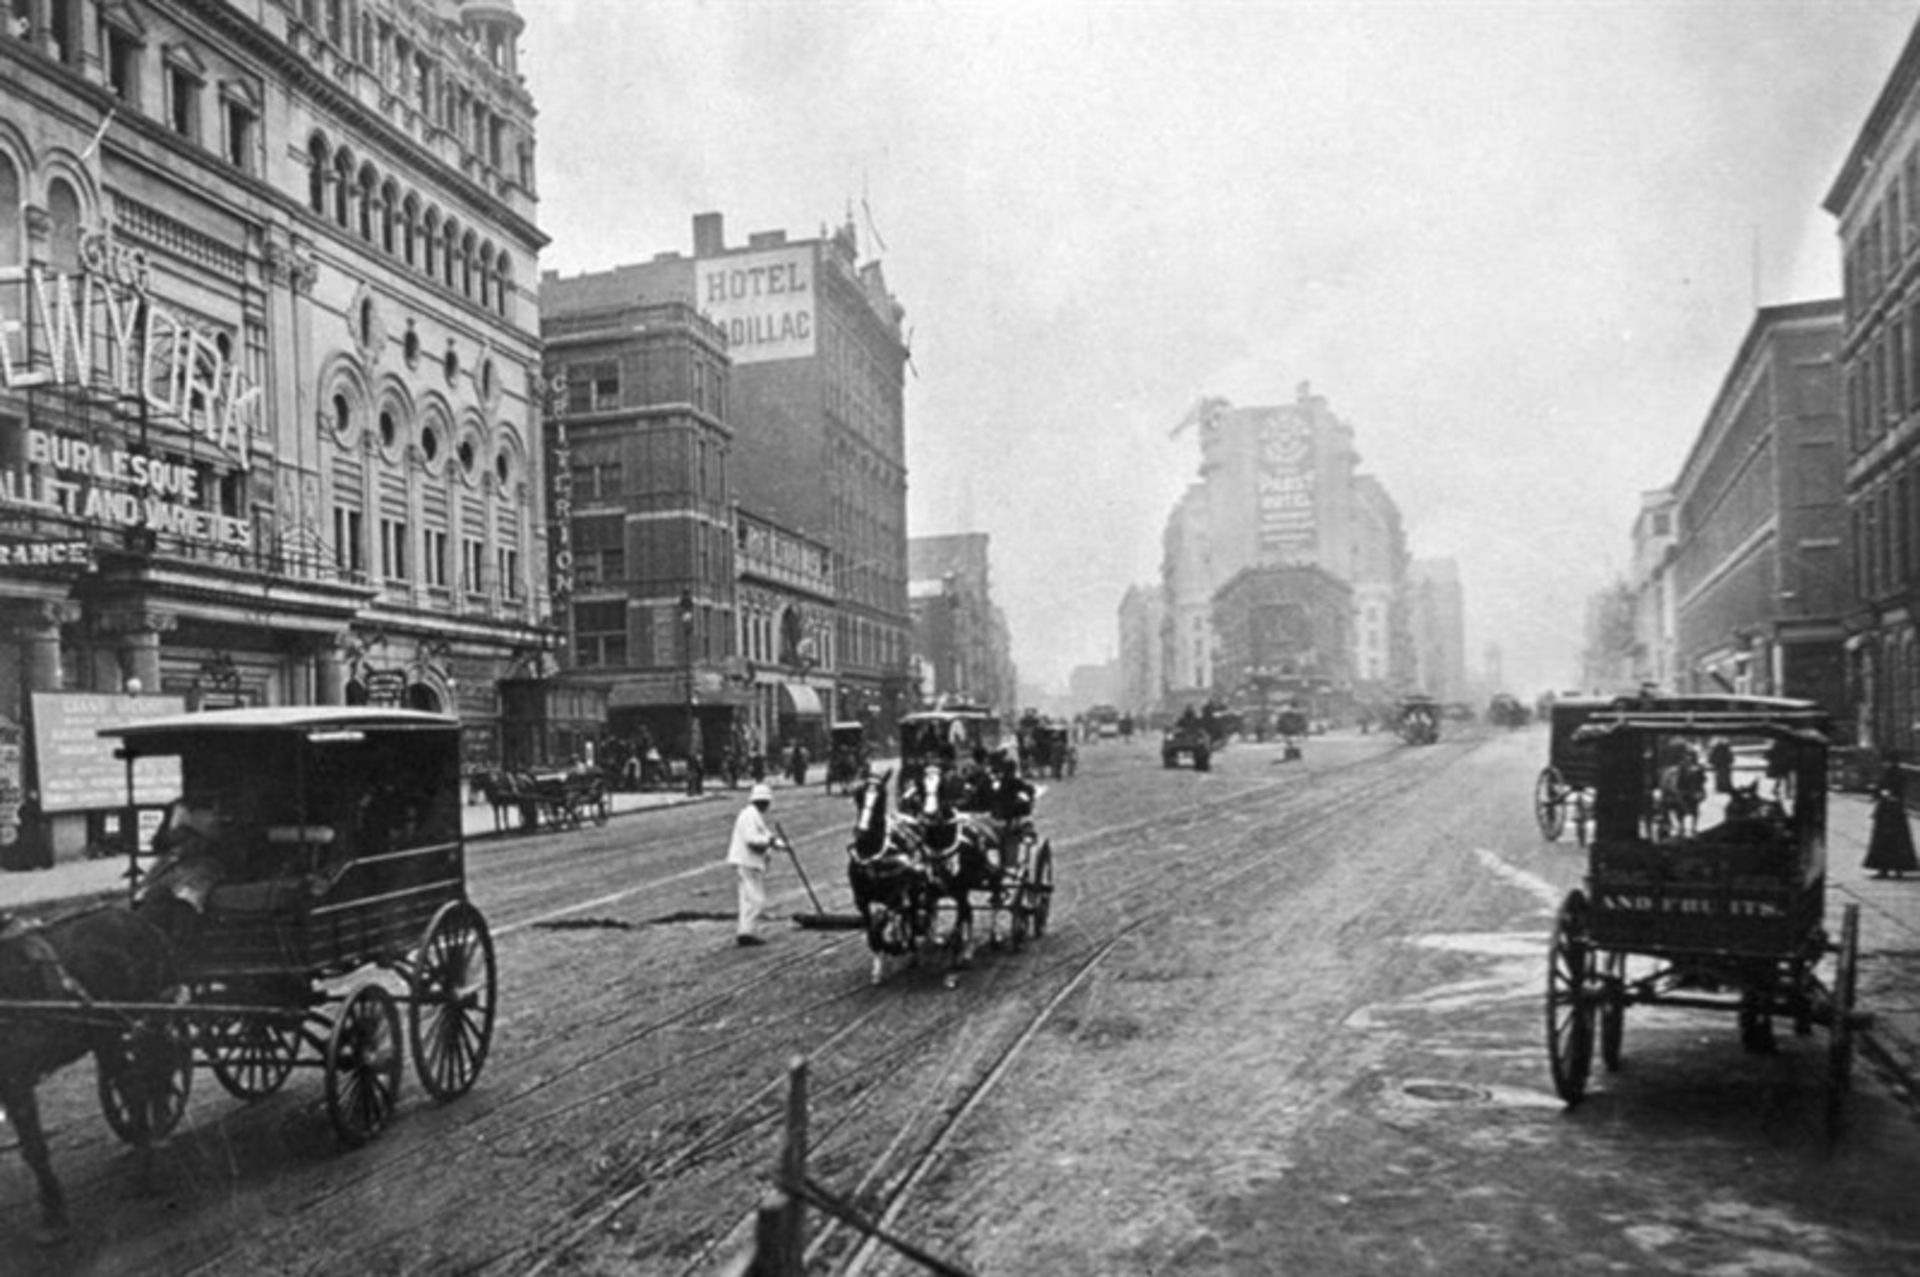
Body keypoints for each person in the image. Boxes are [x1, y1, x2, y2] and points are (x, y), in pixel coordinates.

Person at [727, 783, 778, 945]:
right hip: (748, 861)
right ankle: (747, 932)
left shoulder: (753, 814)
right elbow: (752, 839)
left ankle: (745, 931)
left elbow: (767, 835)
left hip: (747, 862)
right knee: (757, 900)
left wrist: (780, 844)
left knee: (747, 899)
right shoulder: (749, 816)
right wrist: (769, 841)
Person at [1866, 750, 1920, 879]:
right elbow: (1879, 788)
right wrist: (1879, 792)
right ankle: (1886, 868)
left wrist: (1888, 794)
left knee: (1893, 840)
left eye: (1887, 761)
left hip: (1893, 810)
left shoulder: (1897, 774)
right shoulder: (1890, 773)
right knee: (1890, 840)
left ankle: (1894, 868)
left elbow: (1899, 791)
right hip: (1887, 810)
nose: (1885, 764)